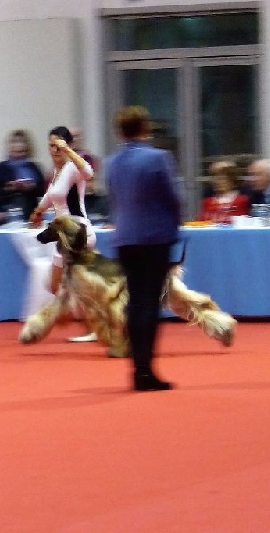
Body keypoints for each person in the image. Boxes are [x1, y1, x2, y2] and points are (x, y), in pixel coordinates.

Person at [105, 106, 181, 391]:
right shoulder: (158, 158)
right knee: (150, 303)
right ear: (145, 128)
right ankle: (145, 370)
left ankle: (136, 367)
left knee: (135, 302)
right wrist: (174, 223)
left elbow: (114, 197)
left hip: (125, 238)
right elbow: (173, 198)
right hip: (154, 238)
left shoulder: (111, 162)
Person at [29, 126, 95, 295]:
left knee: (60, 287)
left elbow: (89, 173)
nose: (55, 150)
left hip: (78, 233)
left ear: (69, 145)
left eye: (59, 145)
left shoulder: (73, 167)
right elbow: (50, 195)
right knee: (58, 287)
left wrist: (67, 150)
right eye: (52, 146)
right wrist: (38, 212)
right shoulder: (57, 171)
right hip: (64, 236)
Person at [0, 129, 46, 226]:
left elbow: (44, 190)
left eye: (21, 142)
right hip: (6, 214)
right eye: (15, 142)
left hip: (30, 213)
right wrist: (9, 188)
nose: (18, 145)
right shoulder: (1, 167)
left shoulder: (33, 167)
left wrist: (31, 187)